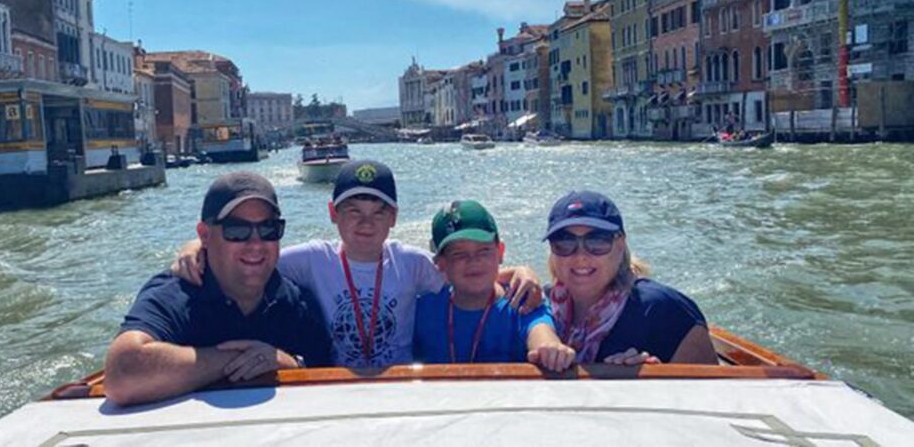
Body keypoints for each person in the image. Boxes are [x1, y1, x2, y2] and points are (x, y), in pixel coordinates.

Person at [172, 160, 542, 368]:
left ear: (394, 217)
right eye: (353, 211)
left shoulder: (412, 264)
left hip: (401, 383)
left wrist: (520, 271)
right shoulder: (310, 260)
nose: (366, 223)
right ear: (333, 214)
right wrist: (199, 245)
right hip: (336, 383)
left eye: (377, 212)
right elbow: (253, 259)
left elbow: (466, 274)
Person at [104, 172, 331, 406]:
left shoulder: (295, 300)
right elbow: (122, 373)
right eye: (237, 230)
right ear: (205, 235)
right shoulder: (175, 295)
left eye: (268, 229)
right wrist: (235, 360)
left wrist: (288, 364)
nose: (255, 244)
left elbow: (329, 375)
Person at [543, 190, 718, 365]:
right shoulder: (539, 308)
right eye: (565, 242)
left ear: (620, 245)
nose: (581, 256)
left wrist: (653, 379)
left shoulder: (665, 311)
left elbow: (714, 390)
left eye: (597, 241)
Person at [414, 200, 575, 371]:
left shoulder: (523, 301)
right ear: (441, 263)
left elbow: (541, 332)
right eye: (459, 254)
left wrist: (550, 349)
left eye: (484, 251)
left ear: (500, 252)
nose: (473, 260)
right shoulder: (421, 308)